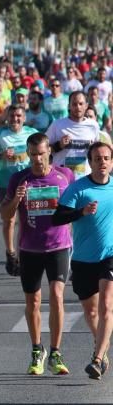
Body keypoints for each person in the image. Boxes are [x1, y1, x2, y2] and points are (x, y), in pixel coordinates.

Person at [1, 134, 73, 376]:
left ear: (49, 152)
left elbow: (76, 207)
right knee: (32, 301)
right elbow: (5, 214)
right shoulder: (19, 179)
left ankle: (55, 352)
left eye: (41, 154)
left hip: (59, 246)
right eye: (32, 155)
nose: (37, 159)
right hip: (30, 249)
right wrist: (17, 199)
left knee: (56, 294)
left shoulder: (65, 176)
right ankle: (36, 349)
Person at [53, 142, 113, 379]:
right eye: (98, 159)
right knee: (91, 312)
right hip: (83, 258)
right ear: (90, 162)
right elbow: (57, 218)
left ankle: (97, 359)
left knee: (107, 305)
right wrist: (81, 213)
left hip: (109, 255)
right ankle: (101, 344)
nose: (103, 163)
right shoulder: (77, 189)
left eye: (107, 158)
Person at [0, 106, 36, 276]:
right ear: (7, 117)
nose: (15, 119)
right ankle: (10, 253)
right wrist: (1, 155)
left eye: (18, 116)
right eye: (12, 116)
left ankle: (23, 254)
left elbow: (43, 151)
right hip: (6, 183)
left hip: (28, 182)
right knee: (9, 220)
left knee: (26, 221)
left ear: (24, 118)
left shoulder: (31, 133)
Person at [47, 91, 101, 181]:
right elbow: (43, 150)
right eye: (74, 104)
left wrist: (93, 149)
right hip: (61, 178)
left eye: (81, 104)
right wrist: (58, 145)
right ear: (69, 106)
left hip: (85, 178)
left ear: (86, 106)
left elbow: (98, 153)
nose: (78, 107)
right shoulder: (57, 125)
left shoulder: (93, 125)